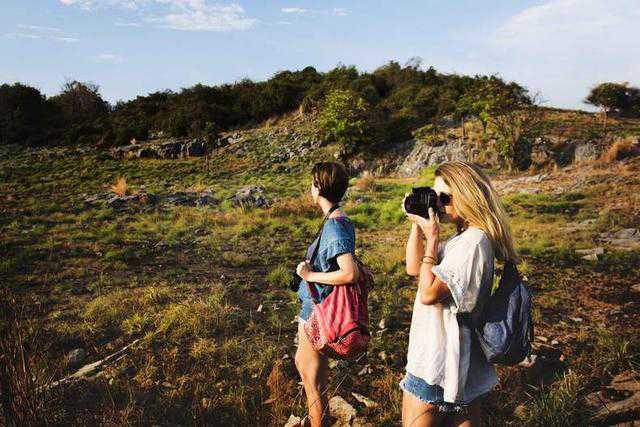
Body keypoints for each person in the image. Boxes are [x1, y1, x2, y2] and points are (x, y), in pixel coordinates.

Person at [400, 161, 520, 427]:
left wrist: (432, 239)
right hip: (450, 358)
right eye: (435, 196)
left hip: (439, 360)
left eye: (444, 198)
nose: (439, 204)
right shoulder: (461, 239)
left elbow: (429, 293)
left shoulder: (474, 242)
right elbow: (414, 267)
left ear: (467, 197)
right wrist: (418, 224)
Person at [294, 162, 359, 427]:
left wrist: (310, 276)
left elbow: (349, 272)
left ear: (318, 187)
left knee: (311, 379)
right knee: (312, 374)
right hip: (317, 308)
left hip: (318, 311)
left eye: (312, 183)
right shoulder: (338, 220)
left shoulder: (334, 225)